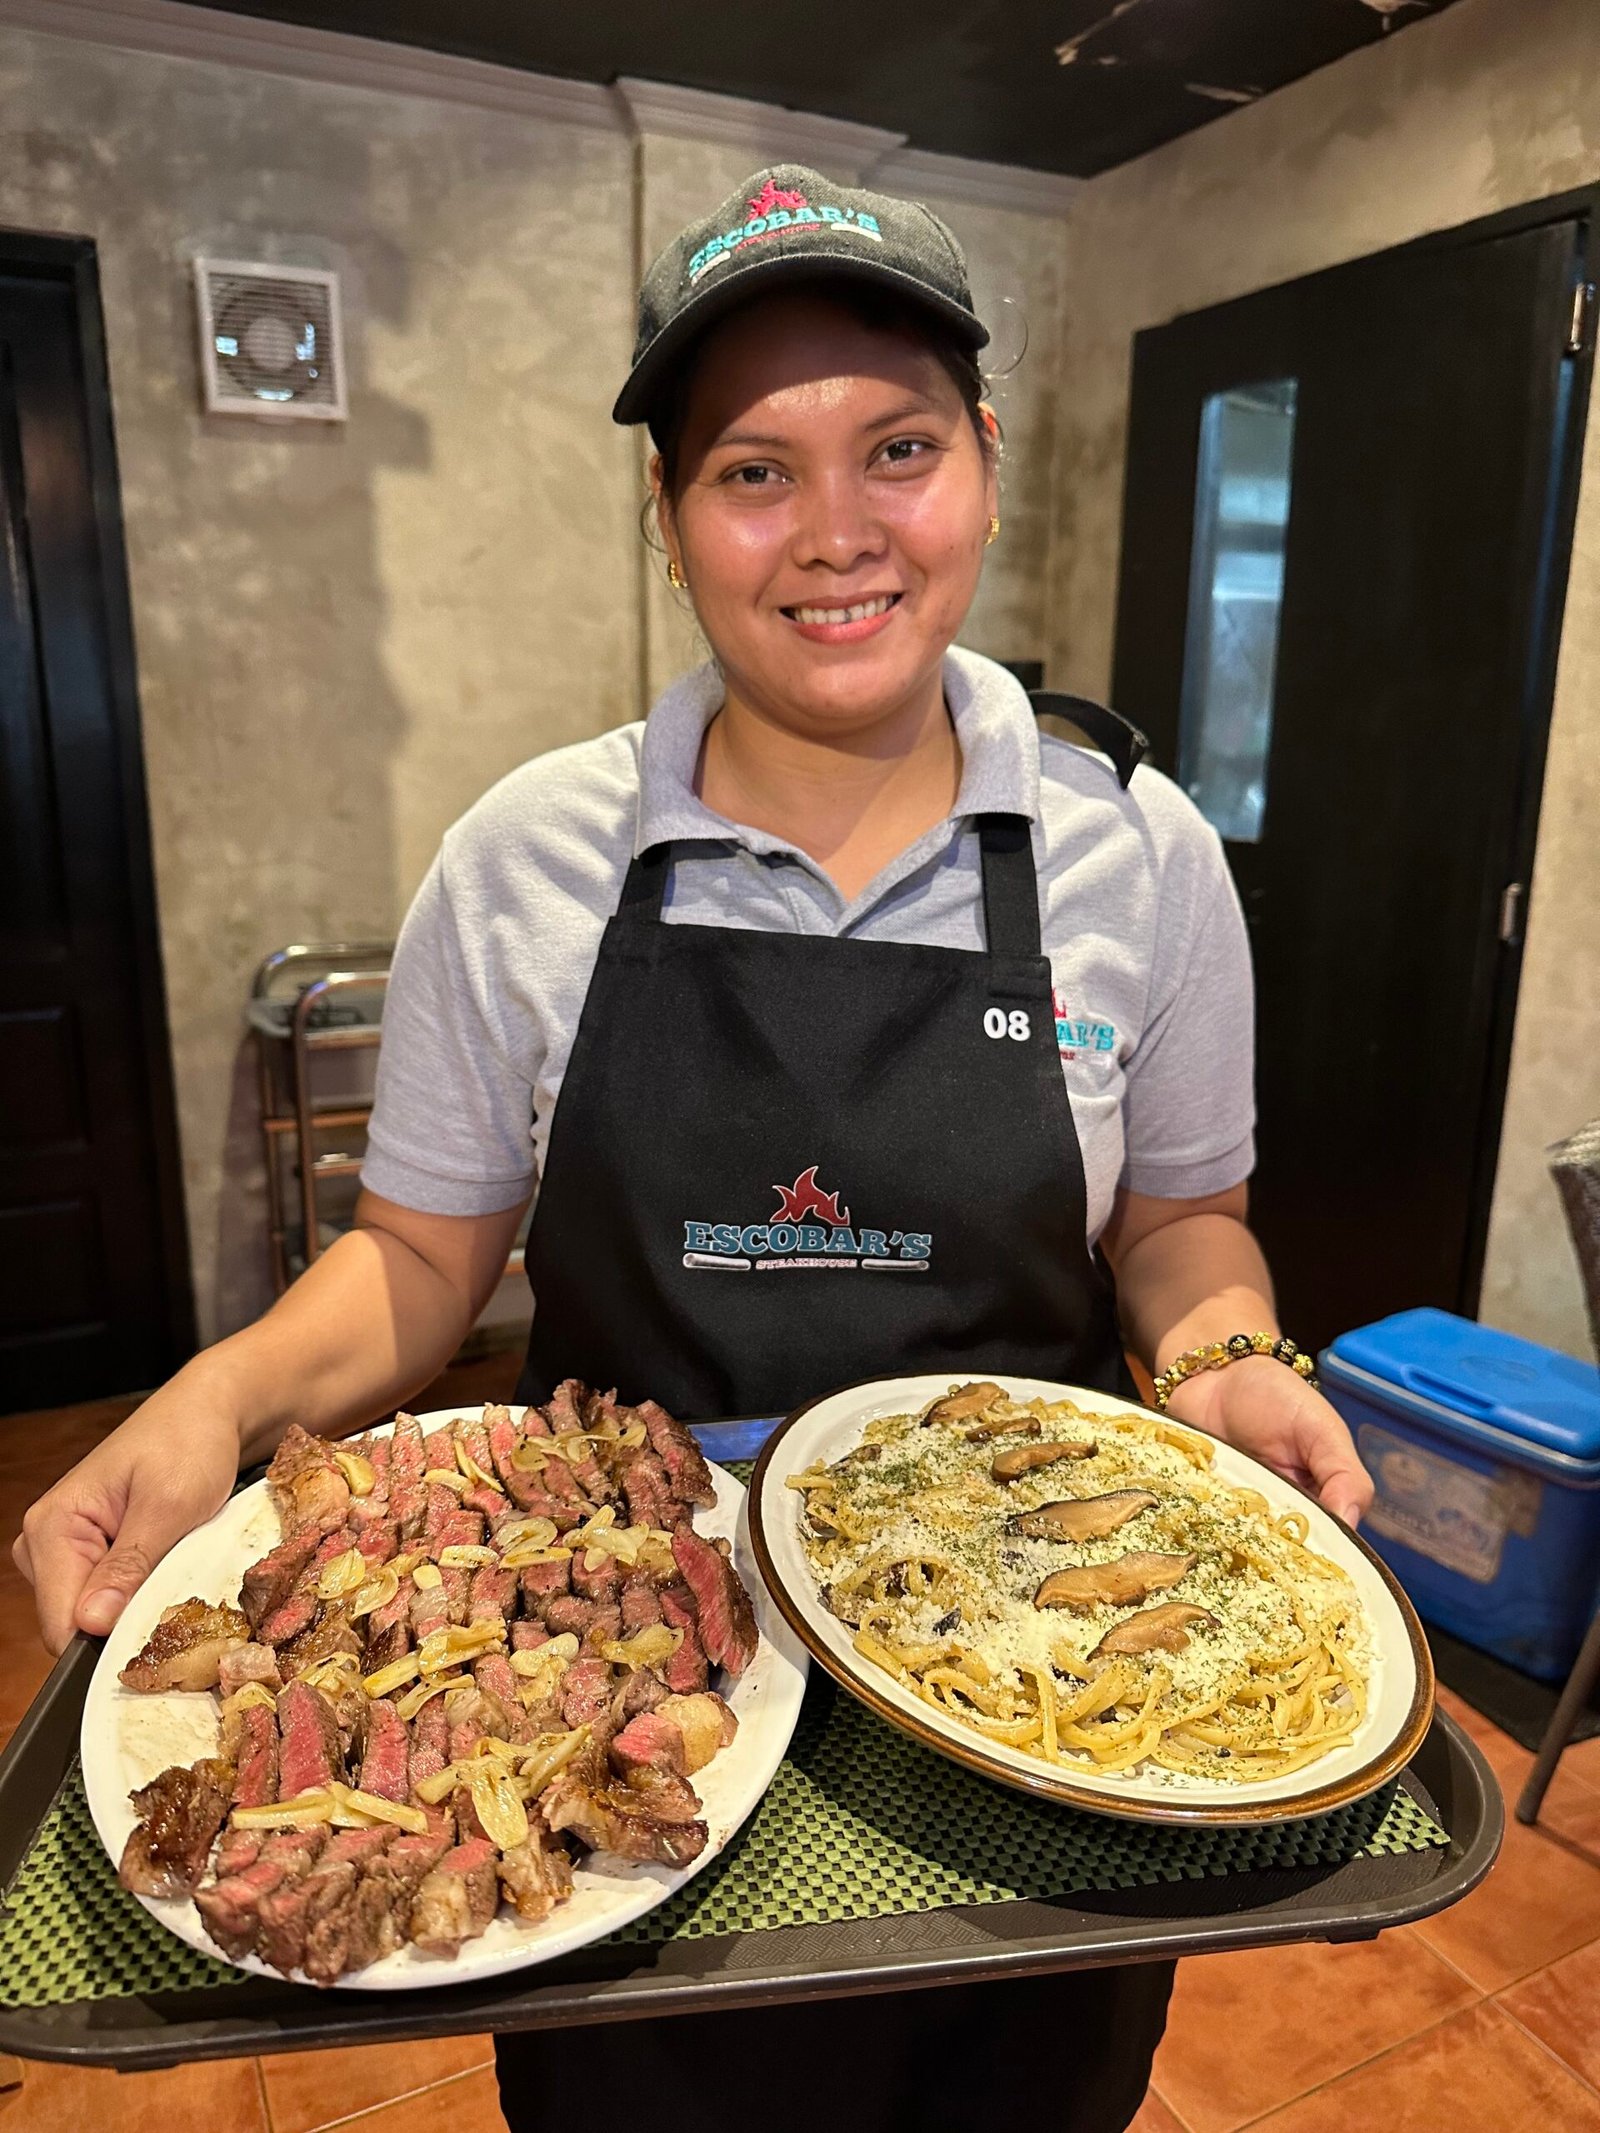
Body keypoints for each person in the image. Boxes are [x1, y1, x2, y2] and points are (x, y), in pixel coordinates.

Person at [16, 164, 1372, 2132]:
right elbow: (419, 1257)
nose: (835, 531)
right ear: (667, 519)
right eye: (752, 471)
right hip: (642, 1679)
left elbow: (1180, 1220)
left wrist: (1224, 1358)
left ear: (984, 463)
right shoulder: (525, 859)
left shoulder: (1134, 852)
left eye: (897, 447)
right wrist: (209, 1399)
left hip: (1032, 1696)